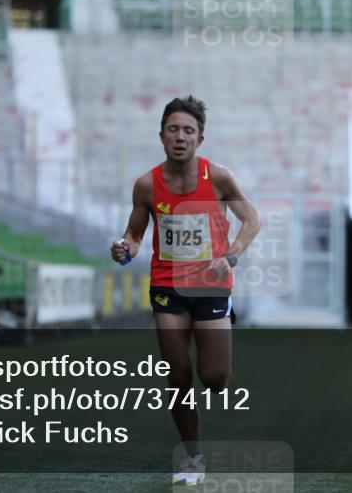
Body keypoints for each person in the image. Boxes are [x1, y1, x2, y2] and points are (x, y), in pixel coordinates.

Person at [111, 96, 260, 486]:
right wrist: (125, 247)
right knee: (177, 375)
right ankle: (193, 456)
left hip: (211, 285)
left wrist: (231, 256)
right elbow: (135, 235)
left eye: (188, 131)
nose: (180, 137)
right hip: (168, 287)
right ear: (161, 136)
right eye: (173, 129)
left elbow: (252, 219)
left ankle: (224, 323)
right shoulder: (146, 185)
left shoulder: (220, 178)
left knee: (214, 378)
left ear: (200, 138)